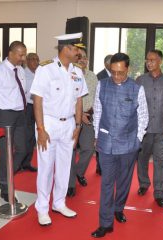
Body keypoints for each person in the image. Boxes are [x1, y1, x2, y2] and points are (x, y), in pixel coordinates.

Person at [31, 32, 88, 226]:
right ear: (66, 49)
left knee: (64, 167)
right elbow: (37, 100)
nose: (79, 53)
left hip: (69, 124)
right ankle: (43, 208)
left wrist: (79, 125)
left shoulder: (78, 71)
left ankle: (59, 203)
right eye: (76, 49)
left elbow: (79, 100)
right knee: (46, 168)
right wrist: (40, 129)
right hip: (49, 123)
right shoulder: (45, 69)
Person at [91, 52, 148, 238]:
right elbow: (98, 112)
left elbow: (143, 116)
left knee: (124, 181)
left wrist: (138, 138)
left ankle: (118, 208)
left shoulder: (136, 89)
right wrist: (96, 134)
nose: (116, 76)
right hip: (106, 142)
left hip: (129, 144)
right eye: (113, 72)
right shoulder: (102, 85)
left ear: (128, 69)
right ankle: (105, 223)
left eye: (120, 72)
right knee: (106, 183)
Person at [0, 41, 28, 202]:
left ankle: (5, 175)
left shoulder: (21, 70)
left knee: (23, 149)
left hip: (20, 114)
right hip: (3, 115)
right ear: (11, 53)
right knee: (6, 153)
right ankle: (4, 184)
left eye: (24, 54)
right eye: (20, 54)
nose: (23, 58)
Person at [136, 49, 163, 207]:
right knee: (142, 159)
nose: (149, 63)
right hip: (143, 130)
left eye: (152, 60)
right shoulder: (139, 80)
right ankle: (144, 184)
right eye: (147, 60)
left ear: (160, 61)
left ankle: (159, 193)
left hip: (161, 129)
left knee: (160, 161)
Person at [67, 47, 98, 197]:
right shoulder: (68, 75)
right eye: (79, 58)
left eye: (85, 57)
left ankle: (79, 172)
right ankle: (70, 183)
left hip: (89, 117)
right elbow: (65, 100)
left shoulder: (93, 76)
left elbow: (96, 99)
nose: (83, 60)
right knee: (71, 151)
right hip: (72, 118)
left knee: (88, 149)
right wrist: (78, 115)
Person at [19, 52, 39, 172]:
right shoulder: (23, 74)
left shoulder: (39, 73)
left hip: (37, 107)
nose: (35, 62)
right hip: (27, 107)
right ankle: (20, 162)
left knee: (32, 137)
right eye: (32, 59)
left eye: (37, 59)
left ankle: (27, 162)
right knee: (25, 136)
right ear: (27, 61)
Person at [95, 54, 112, 175]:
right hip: (102, 112)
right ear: (106, 64)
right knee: (101, 140)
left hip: (112, 113)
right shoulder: (99, 76)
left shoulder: (116, 75)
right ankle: (99, 166)